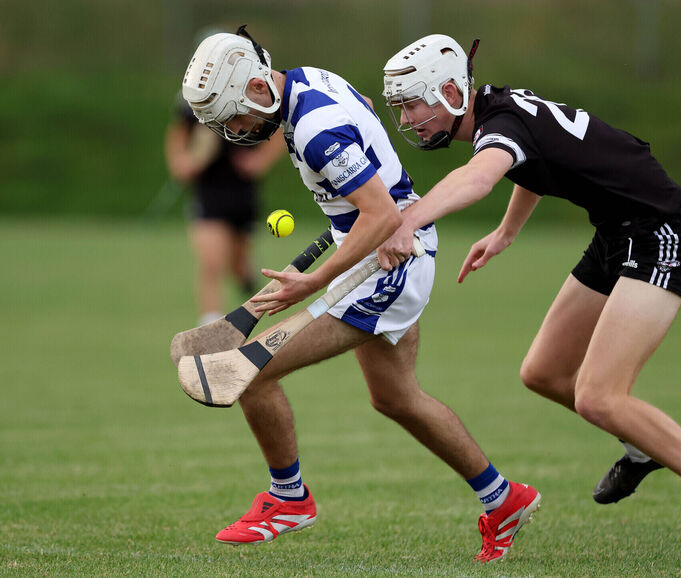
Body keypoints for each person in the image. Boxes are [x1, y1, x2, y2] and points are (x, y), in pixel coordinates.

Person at [379, 34, 681, 563]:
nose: (407, 120)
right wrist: (506, 233)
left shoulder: (498, 125)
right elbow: (530, 162)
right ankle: (640, 448)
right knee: (542, 372)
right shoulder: (501, 111)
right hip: (618, 232)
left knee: (599, 396)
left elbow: (479, 177)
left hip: (662, 233)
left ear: (450, 91)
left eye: (411, 105)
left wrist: (409, 220)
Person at [180, 26, 540, 563]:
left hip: (389, 258)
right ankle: (504, 498)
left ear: (258, 86)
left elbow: (382, 216)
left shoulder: (315, 131)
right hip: (384, 248)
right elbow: (365, 109)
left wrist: (313, 281)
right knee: (395, 397)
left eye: (231, 116)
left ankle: (289, 500)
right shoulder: (305, 81)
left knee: (249, 372)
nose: (233, 130)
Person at [165, 88, 285, 326]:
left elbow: (282, 128)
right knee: (211, 263)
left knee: (239, 267)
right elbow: (178, 133)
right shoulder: (193, 96)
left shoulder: (249, 91)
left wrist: (260, 160)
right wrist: (181, 163)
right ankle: (211, 327)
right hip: (208, 191)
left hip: (243, 191)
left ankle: (244, 272)